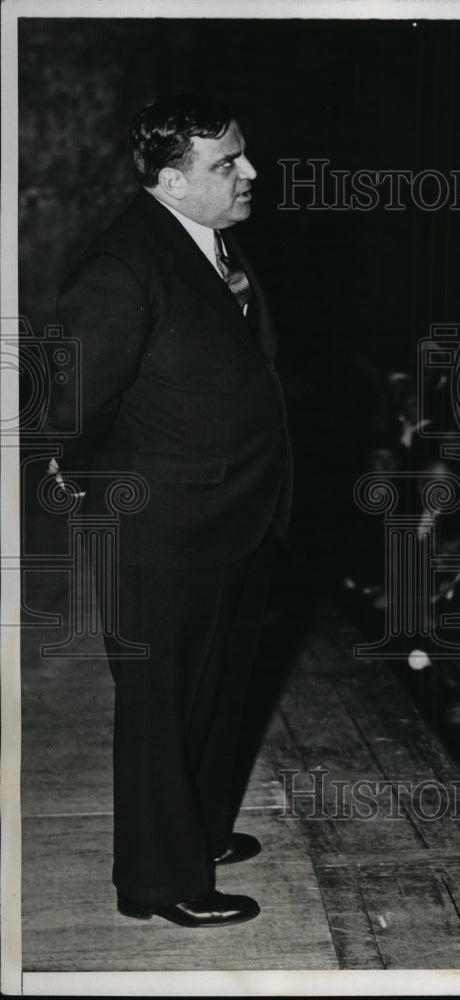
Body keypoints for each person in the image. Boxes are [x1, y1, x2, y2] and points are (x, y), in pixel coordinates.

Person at [44, 94, 292, 927]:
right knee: (160, 709)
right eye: (228, 164)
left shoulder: (210, 241)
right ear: (172, 179)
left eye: (243, 155)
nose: (250, 172)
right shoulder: (123, 265)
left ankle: (196, 835)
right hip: (160, 528)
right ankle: (158, 881)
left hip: (232, 516)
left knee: (215, 692)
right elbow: (67, 405)